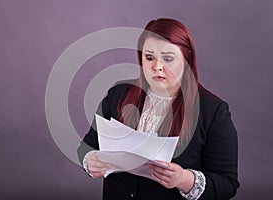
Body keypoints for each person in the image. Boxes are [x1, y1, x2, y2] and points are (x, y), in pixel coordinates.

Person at [77, 18, 239, 200]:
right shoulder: (118, 94)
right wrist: (90, 160)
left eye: (168, 58)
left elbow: (227, 185)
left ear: (187, 58)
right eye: (149, 57)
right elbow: (86, 147)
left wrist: (185, 179)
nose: (157, 67)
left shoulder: (213, 111)